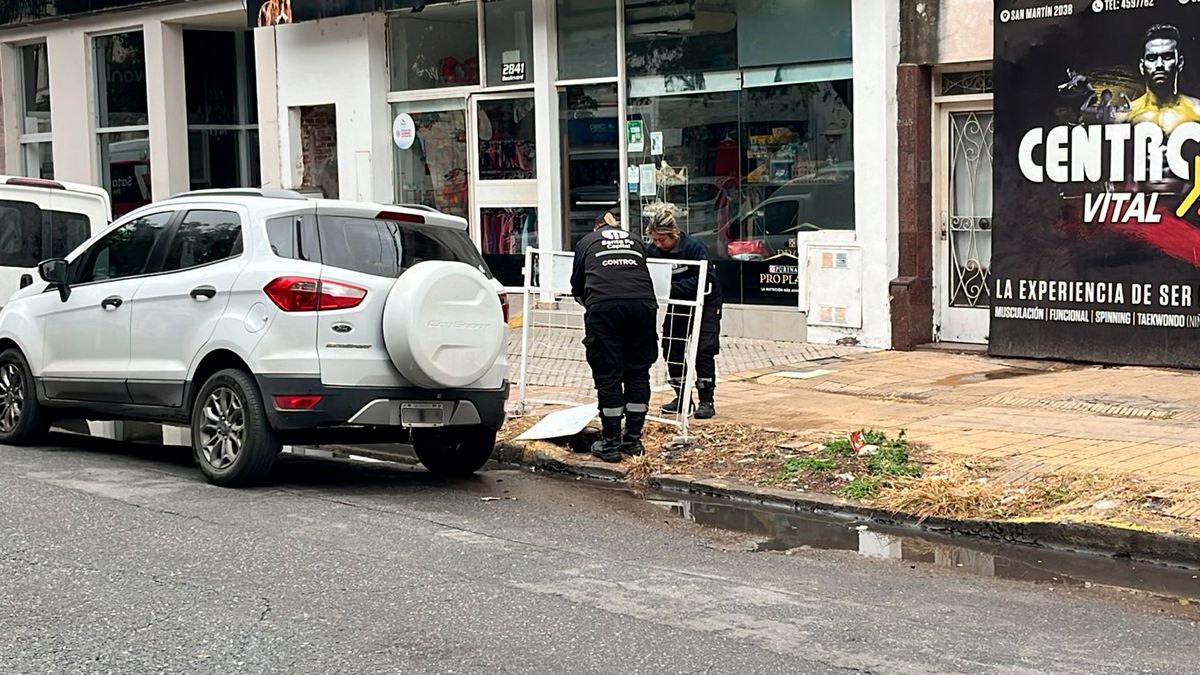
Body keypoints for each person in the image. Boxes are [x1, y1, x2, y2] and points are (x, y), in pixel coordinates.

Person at [569, 210, 659, 462]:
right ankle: (633, 441)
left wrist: (592, 304)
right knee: (638, 372)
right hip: (643, 307)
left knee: (608, 374)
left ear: (597, 228)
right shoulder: (635, 240)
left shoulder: (587, 242)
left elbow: (577, 285)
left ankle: (610, 443)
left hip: (605, 308)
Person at [645, 210, 722, 420]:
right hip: (678, 303)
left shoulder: (695, 248)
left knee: (703, 349)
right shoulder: (653, 251)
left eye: (661, 240)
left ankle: (707, 400)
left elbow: (706, 280)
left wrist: (671, 287)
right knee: (671, 347)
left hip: (705, 302)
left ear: (673, 234)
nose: (658, 244)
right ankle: (682, 398)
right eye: (654, 240)